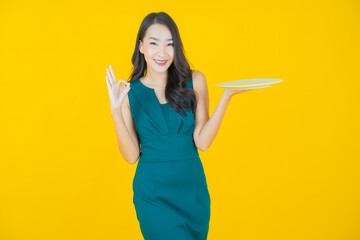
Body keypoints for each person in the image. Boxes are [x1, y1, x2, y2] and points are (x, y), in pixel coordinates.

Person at [105, 11, 253, 240]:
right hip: (153, 196)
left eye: (169, 44)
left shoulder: (195, 81)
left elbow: (202, 142)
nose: (162, 52)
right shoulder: (129, 93)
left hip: (192, 192)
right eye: (154, 43)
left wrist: (227, 96)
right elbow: (131, 156)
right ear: (141, 46)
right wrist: (116, 110)